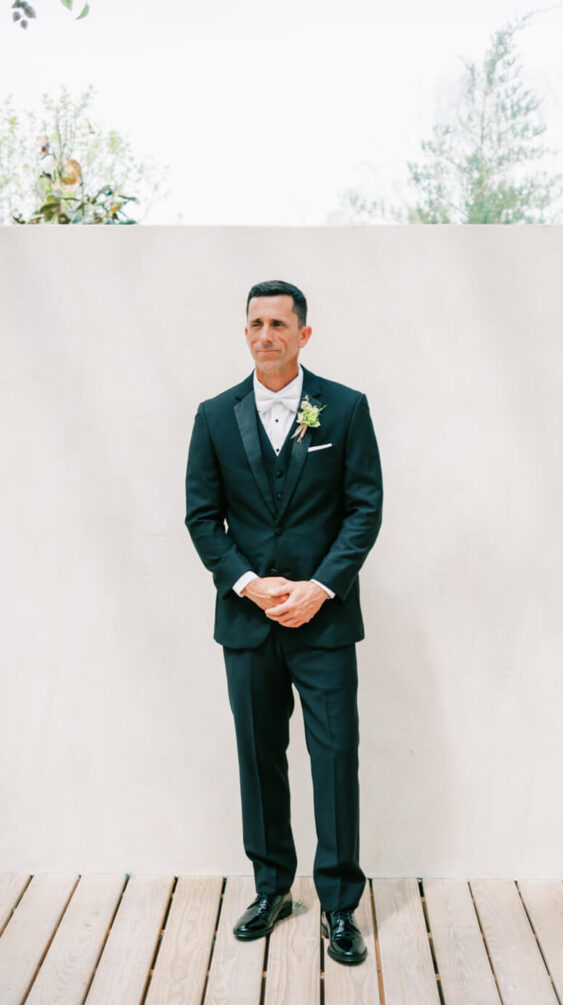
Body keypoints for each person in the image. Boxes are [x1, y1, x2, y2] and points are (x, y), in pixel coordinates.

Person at [185, 280, 383, 964]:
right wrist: (247, 582)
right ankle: (272, 888)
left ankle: (337, 906)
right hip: (247, 622)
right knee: (258, 758)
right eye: (254, 323)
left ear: (304, 334)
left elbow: (364, 508)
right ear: (245, 333)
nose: (264, 333)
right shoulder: (214, 415)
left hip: (324, 623)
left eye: (278, 323)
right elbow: (202, 518)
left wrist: (321, 588)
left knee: (334, 760)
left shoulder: (346, 409)